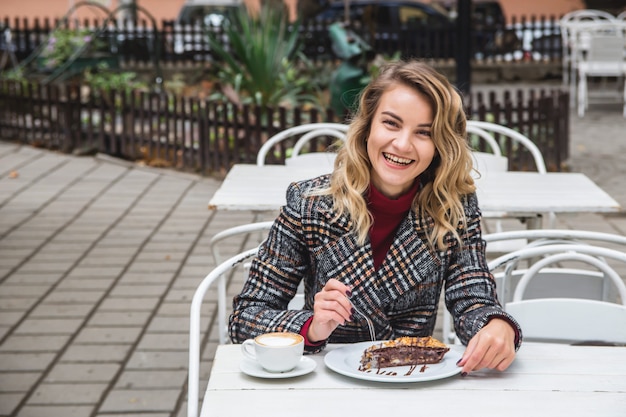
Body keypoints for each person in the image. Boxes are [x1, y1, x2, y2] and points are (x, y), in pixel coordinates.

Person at [229, 60, 522, 375]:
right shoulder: (309, 204)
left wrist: (495, 324)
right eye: (391, 124)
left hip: (412, 378)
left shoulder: (453, 205)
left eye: (424, 133)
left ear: (440, 146)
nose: (402, 144)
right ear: (367, 125)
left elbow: (472, 295)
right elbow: (245, 317)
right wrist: (312, 327)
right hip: (323, 380)